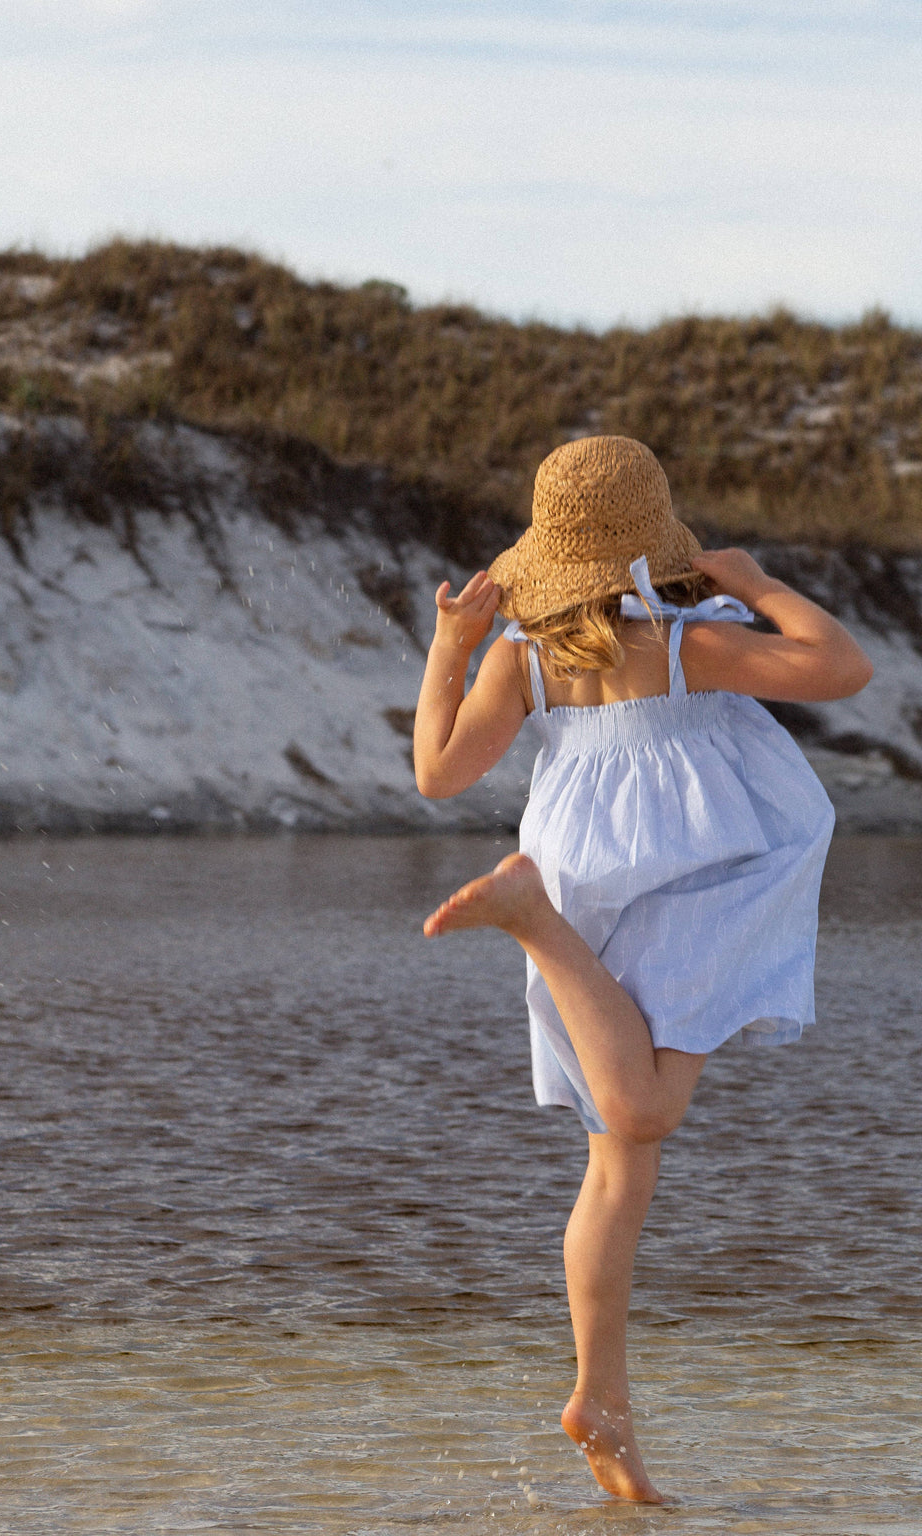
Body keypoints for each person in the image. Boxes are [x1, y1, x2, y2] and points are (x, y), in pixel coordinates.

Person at [413, 436, 872, 1504]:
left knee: (620, 1164)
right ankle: (530, 921)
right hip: (697, 879)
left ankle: (601, 1402)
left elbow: (437, 772)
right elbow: (841, 669)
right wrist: (759, 585)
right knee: (643, 1116)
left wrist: (450, 644)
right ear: (654, 546)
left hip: (586, 870)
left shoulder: (521, 659)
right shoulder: (682, 643)